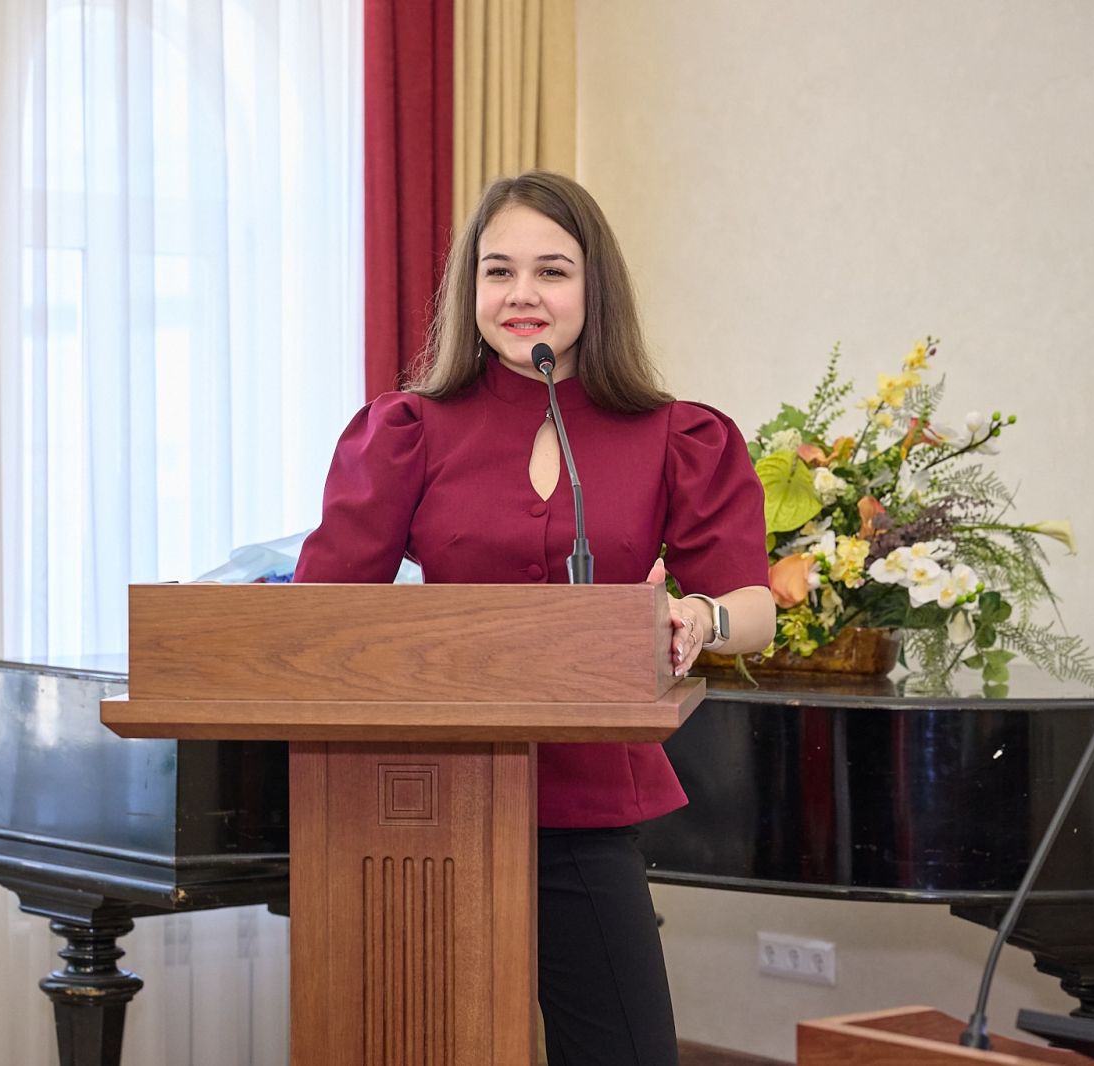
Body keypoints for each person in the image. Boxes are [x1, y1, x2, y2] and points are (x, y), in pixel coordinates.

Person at [293, 170, 775, 1065]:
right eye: (498, 271)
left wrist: (700, 619)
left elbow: (755, 608)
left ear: (595, 289)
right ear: (469, 290)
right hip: (420, 805)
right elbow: (322, 616)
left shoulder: (677, 435)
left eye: (551, 271)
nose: (522, 294)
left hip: (584, 803)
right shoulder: (405, 430)